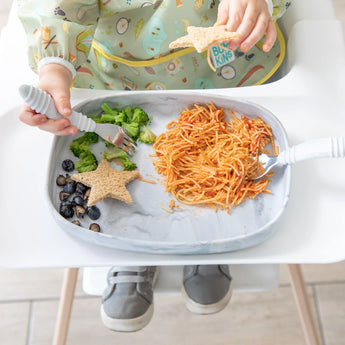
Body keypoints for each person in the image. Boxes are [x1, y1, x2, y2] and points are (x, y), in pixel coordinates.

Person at [18, 0, 291, 333]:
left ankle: (211, 237)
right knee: (135, 169)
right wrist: (54, 69)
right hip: (122, 77)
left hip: (225, 71)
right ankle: (131, 243)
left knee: (219, 164)